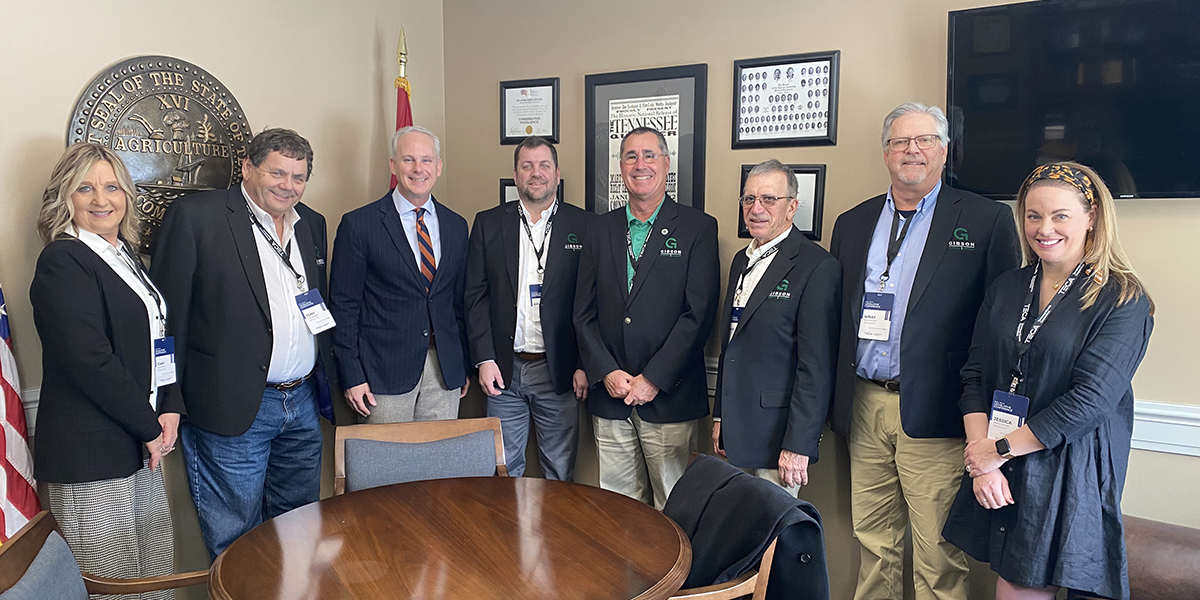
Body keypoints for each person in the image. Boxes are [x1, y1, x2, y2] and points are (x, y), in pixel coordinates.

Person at [828, 101, 1021, 600]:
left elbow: (1001, 326)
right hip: (864, 402)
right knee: (873, 542)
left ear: (944, 150)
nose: (911, 150)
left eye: (924, 141)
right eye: (899, 141)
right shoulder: (852, 223)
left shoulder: (985, 220)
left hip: (937, 408)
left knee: (937, 554)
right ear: (885, 152)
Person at [943, 162, 1154, 600]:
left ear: (1091, 217)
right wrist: (982, 458)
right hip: (1000, 457)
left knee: (1019, 585)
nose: (1045, 229)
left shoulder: (1121, 298)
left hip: (1066, 466)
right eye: (1034, 215)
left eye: (1060, 215)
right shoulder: (1007, 287)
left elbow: (1090, 401)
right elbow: (975, 374)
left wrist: (994, 452)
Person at [150, 128, 337, 559]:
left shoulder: (312, 224)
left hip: (302, 403)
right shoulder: (198, 218)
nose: (288, 186)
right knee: (237, 539)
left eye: (298, 177)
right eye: (277, 173)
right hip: (231, 406)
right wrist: (168, 399)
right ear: (247, 168)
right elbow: (167, 319)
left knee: (301, 528)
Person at [31, 143, 181, 597]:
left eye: (112, 186)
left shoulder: (126, 256)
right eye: (85, 188)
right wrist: (148, 426)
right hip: (91, 456)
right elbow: (89, 360)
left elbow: (159, 336)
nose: (101, 199)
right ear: (65, 197)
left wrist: (170, 406)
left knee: (152, 582)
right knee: (114, 588)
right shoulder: (63, 260)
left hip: (140, 443)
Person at [574, 126, 720, 509]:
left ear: (667, 163)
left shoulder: (697, 228)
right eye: (631, 156)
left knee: (672, 509)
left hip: (668, 398)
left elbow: (698, 316)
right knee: (618, 509)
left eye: (649, 155)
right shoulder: (599, 229)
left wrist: (653, 379)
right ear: (621, 167)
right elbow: (583, 313)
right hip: (611, 396)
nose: (640, 165)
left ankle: (672, 574)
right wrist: (605, 371)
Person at [464, 136, 593, 479]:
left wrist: (583, 364)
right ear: (516, 174)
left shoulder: (584, 226)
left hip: (559, 371)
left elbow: (592, 303)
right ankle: (509, 535)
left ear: (557, 173)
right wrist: (484, 358)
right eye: (527, 166)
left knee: (560, 472)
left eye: (544, 165)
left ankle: (556, 535)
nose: (536, 173)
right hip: (504, 370)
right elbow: (474, 296)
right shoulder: (488, 223)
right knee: (504, 470)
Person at [712, 159, 841, 494]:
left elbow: (816, 366)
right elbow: (732, 345)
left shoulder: (817, 266)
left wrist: (799, 444)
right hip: (739, 421)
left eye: (769, 199)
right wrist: (720, 417)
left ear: (792, 207)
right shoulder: (742, 260)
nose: (757, 208)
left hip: (780, 433)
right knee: (748, 524)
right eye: (749, 199)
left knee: (776, 529)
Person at [329, 126, 470, 423]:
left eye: (426, 160)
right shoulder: (359, 225)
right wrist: (351, 375)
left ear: (439, 167)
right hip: (382, 372)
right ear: (393, 166)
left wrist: (462, 365)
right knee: (386, 466)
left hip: (444, 371)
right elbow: (344, 307)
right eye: (408, 160)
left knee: (440, 465)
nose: (418, 169)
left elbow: (458, 303)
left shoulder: (456, 226)